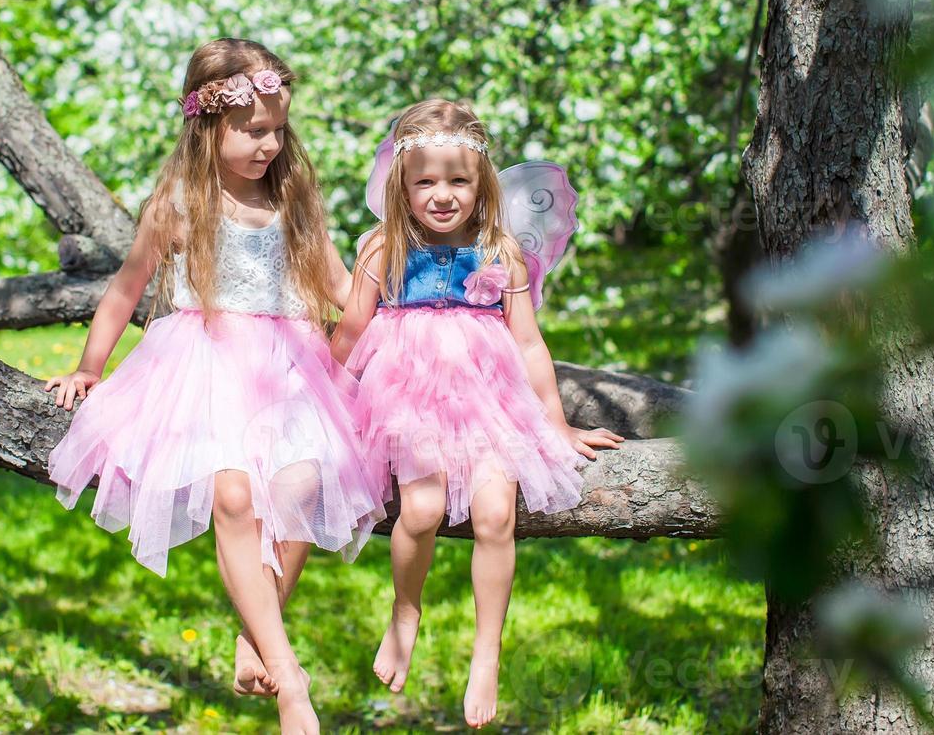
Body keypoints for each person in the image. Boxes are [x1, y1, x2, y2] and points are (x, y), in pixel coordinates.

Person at [45, 38, 384, 734]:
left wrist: (383, 274)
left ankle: (258, 634)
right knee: (233, 494)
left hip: (292, 375)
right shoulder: (178, 204)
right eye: (253, 130)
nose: (269, 144)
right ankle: (291, 681)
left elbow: (340, 292)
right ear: (208, 124)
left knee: (301, 487)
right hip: (205, 367)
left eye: (277, 130)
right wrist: (89, 367)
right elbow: (126, 288)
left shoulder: (291, 204)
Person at [331, 97, 625, 728]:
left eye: (459, 180)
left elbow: (527, 343)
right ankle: (405, 612)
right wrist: (321, 398)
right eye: (425, 182)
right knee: (423, 507)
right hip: (404, 398)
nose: (443, 195)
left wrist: (556, 421)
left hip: (488, 404)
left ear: (482, 183)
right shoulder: (384, 248)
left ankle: (487, 651)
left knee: (496, 516)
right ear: (400, 186)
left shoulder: (499, 252)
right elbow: (353, 330)